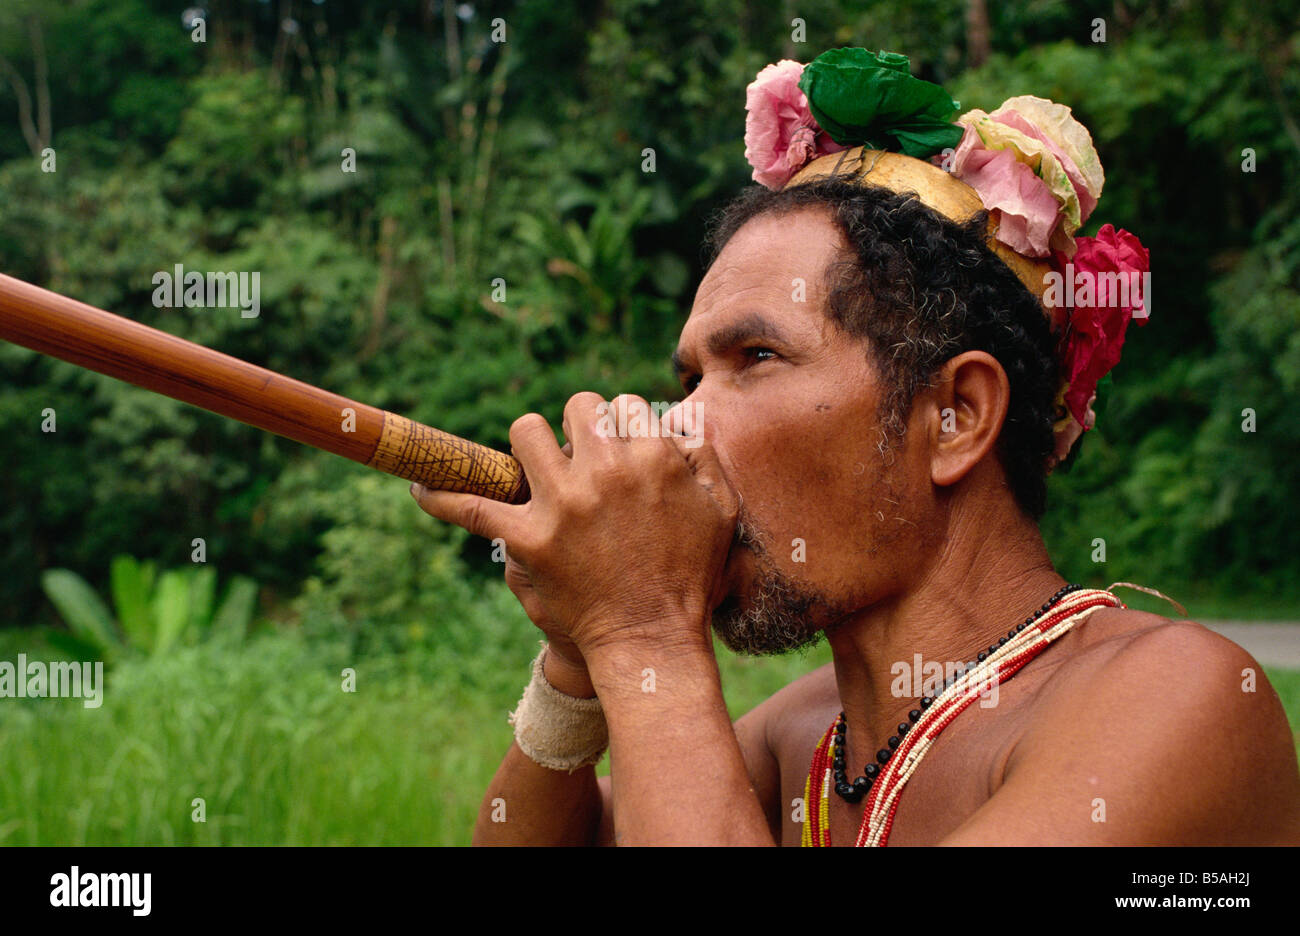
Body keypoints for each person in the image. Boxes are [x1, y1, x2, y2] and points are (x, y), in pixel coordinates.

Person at [411, 49, 1300, 846]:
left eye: (756, 358)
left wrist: (641, 632)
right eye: (689, 380)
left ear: (955, 416)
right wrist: (579, 657)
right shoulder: (803, 738)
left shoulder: (1177, 699)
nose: (679, 425)